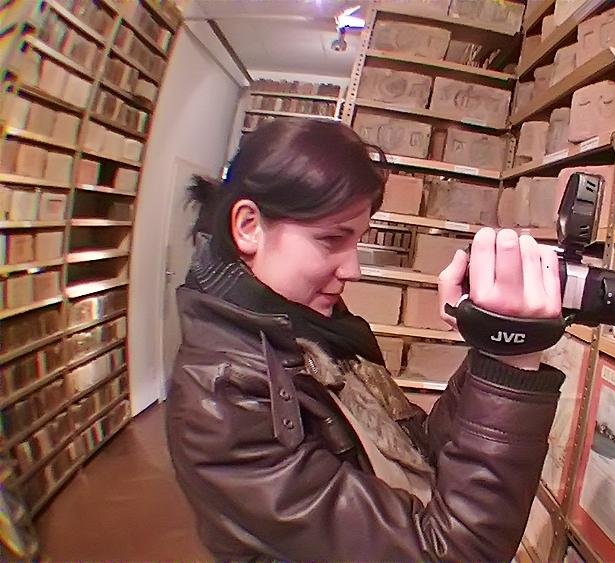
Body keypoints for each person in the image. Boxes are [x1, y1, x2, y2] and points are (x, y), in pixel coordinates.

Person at [166, 118, 566, 560]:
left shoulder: (310, 333)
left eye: (357, 240)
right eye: (331, 239)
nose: (353, 269)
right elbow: (443, 552)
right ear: (248, 226)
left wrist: (488, 350)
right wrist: (511, 362)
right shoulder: (224, 397)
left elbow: (415, 453)